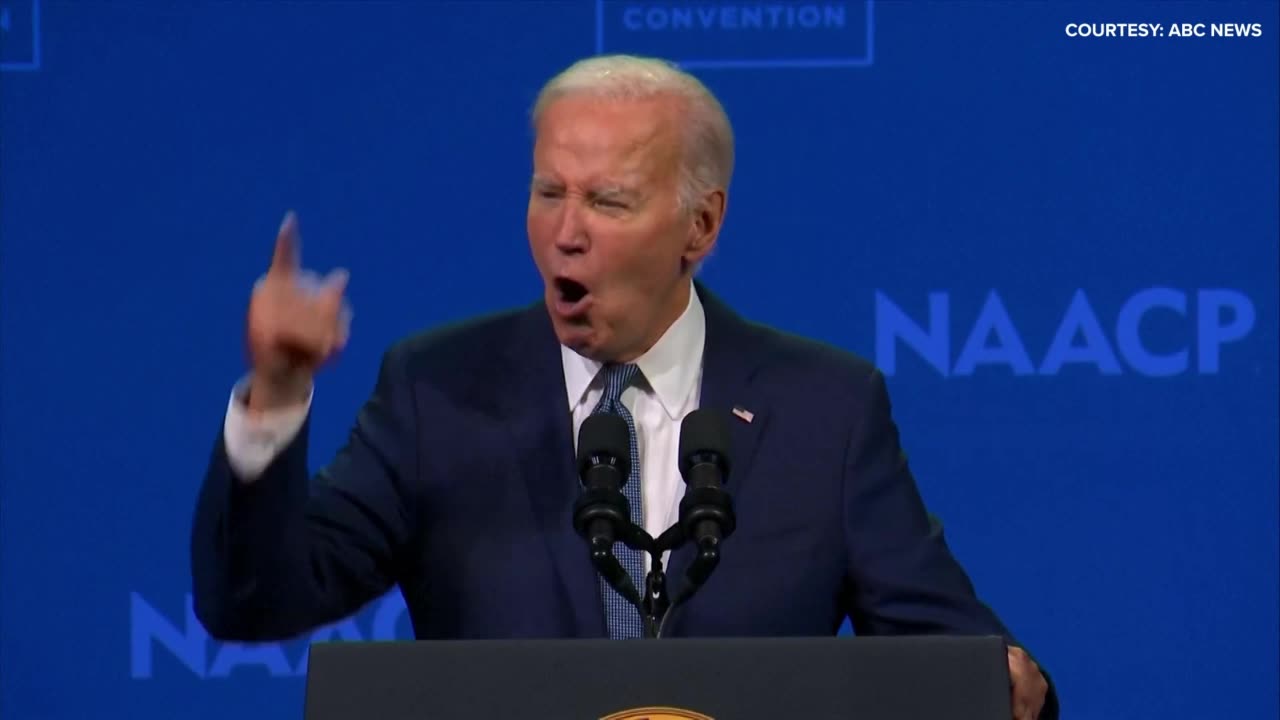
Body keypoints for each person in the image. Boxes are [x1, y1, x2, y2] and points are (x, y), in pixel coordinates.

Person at [190, 54, 1056, 719]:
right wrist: (274, 394)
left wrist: (1010, 684)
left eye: (607, 201)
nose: (566, 232)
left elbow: (955, 656)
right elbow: (256, 601)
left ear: (700, 225)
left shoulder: (824, 407)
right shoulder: (438, 391)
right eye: (547, 192)